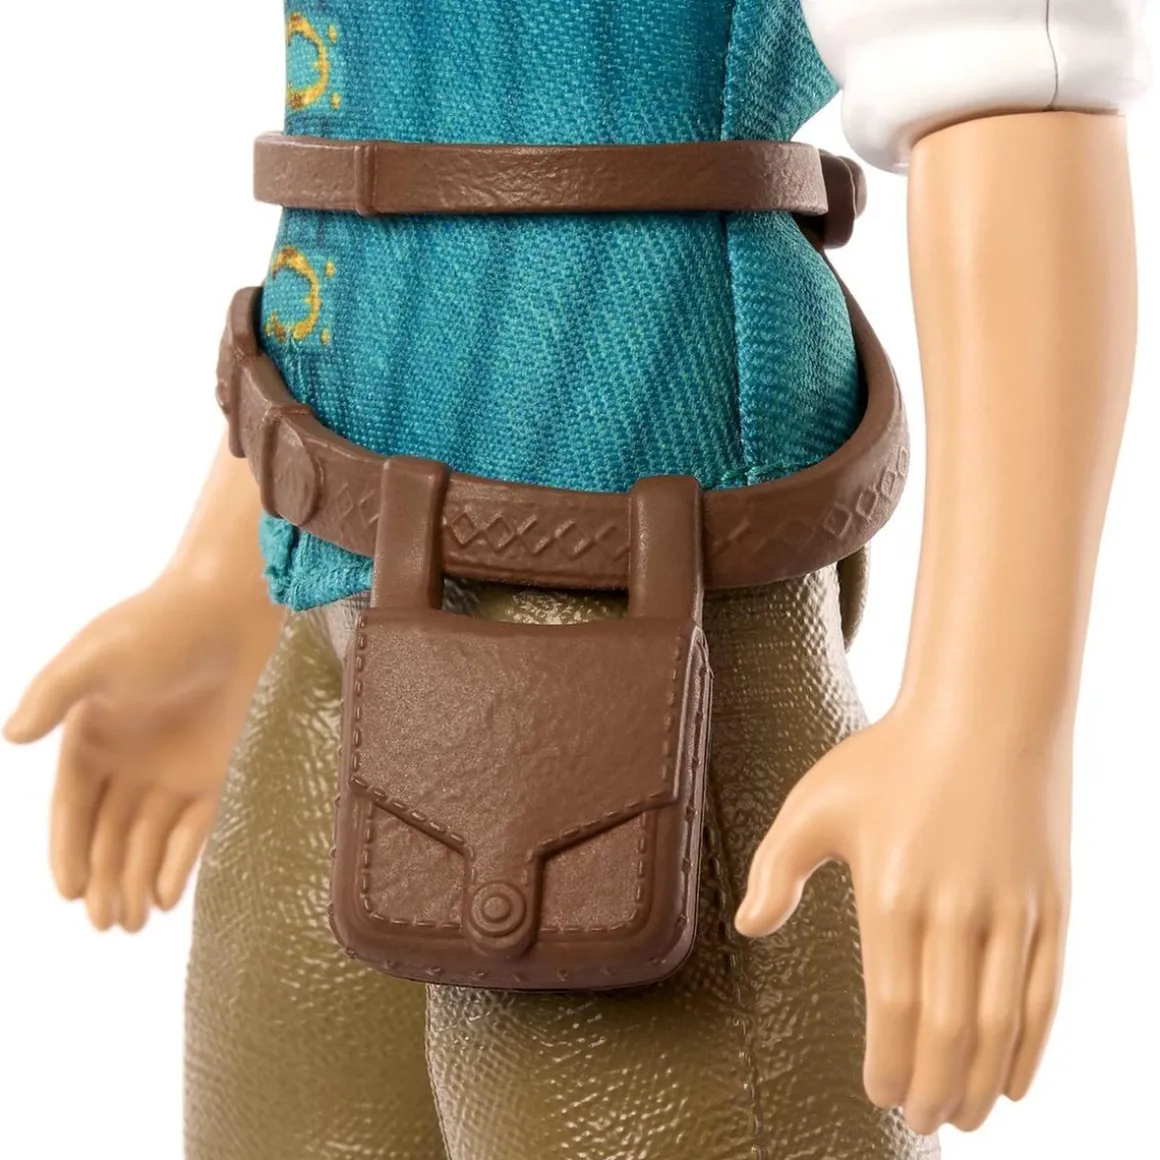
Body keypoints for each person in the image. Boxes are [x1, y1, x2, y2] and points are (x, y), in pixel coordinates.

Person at [3, 3, 1151, 1158]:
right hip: (339, 611)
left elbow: (1006, 90)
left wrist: (987, 725)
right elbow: (388, 157)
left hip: (637, 635)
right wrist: (225, 573)